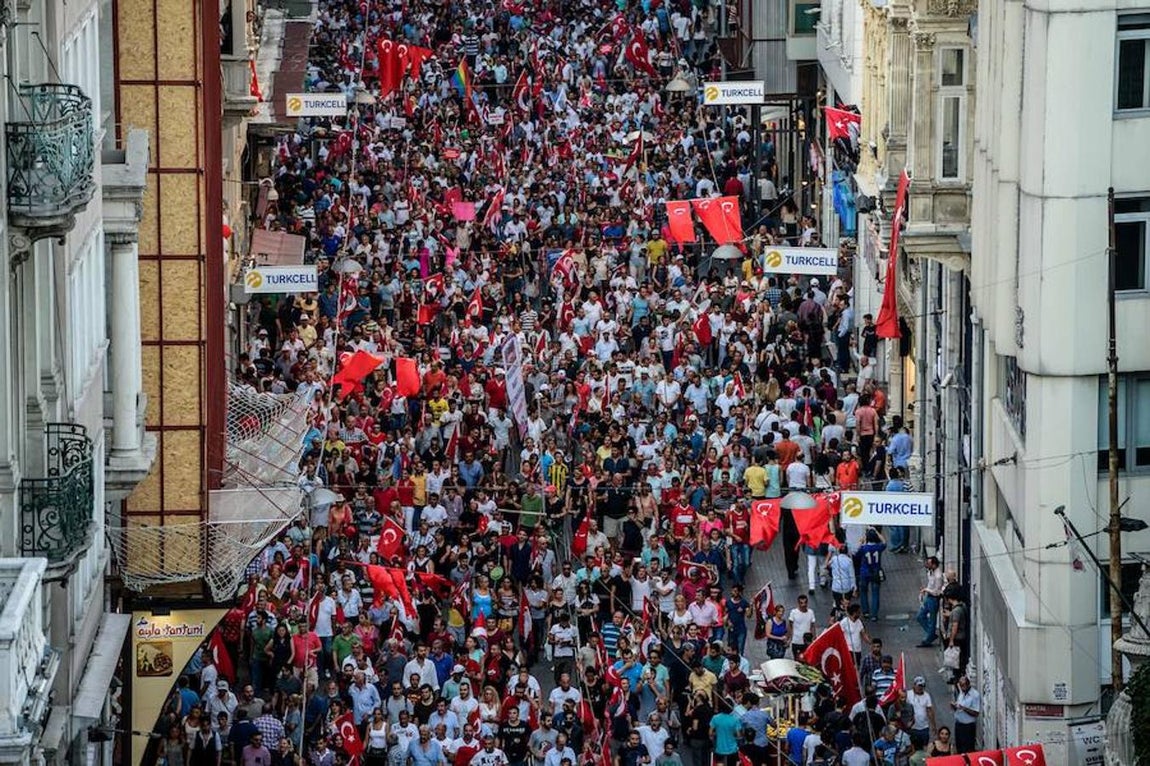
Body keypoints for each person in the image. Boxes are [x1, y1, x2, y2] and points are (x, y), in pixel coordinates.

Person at [916, 557, 944, 647]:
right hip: (929, 597)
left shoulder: (938, 576)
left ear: (934, 564)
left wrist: (926, 590)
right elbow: (929, 584)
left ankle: (927, 639)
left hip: (934, 599)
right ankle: (931, 634)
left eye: (929, 563)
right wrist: (925, 591)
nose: (927, 565)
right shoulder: (930, 572)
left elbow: (937, 591)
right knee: (920, 616)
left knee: (932, 620)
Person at [950, 677, 981, 754]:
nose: (962, 688)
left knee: (967, 749)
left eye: (963, 685)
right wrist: (954, 707)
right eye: (960, 685)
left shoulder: (975, 695)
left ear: (968, 684)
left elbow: (976, 713)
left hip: (968, 727)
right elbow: (958, 706)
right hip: (959, 724)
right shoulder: (962, 692)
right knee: (959, 747)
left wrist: (963, 708)